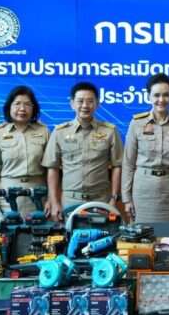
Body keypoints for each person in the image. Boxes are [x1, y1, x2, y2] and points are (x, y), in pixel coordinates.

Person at [42, 81, 123, 220]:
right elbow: (52, 168)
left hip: (101, 200)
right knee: (70, 234)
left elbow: (117, 166)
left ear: (97, 104)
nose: (85, 105)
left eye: (90, 101)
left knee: (102, 233)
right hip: (70, 201)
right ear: (72, 103)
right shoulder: (60, 132)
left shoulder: (110, 131)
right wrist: (54, 202)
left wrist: (114, 199)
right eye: (80, 101)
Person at [121, 73, 169, 222]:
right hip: (142, 191)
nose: (161, 100)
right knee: (141, 235)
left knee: (167, 235)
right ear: (149, 97)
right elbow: (128, 163)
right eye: (156, 95)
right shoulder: (137, 123)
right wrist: (126, 199)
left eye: (166, 95)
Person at [0, 86, 49, 217]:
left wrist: (51, 199)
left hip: (38, 197)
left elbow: (52, 169)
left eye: (27, 104)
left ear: (34, 108)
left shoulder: (44, 131)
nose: (22, 109)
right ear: (9, 107)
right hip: (8, 199)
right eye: (17, 104)